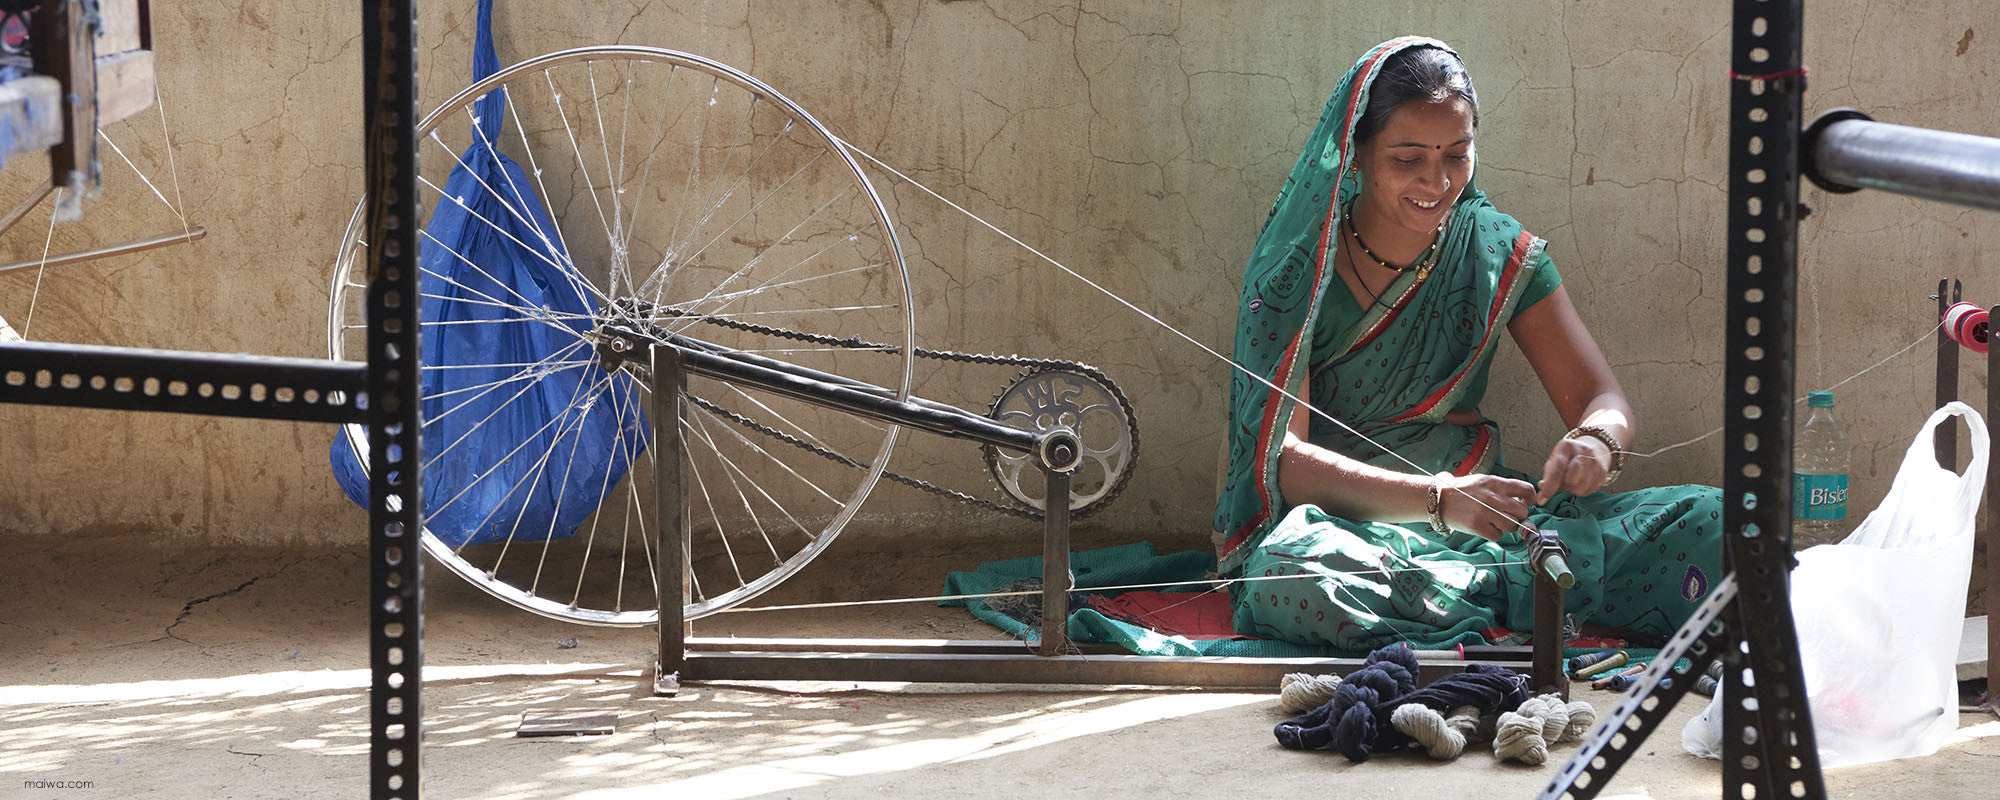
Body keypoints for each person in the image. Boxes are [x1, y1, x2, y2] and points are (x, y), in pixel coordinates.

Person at [1213, 37, 1723, 651]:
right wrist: (1437, 500)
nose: (1437, 180)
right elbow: (1285, 461)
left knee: (1715, 523)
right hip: (1353, 525)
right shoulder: (1298, 274)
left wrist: (1597, 439)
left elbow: (1600, 396)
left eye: (1457, 154)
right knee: (1293, 575)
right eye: (1408, 159)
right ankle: (1525, 598)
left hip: (1488, 518)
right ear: (1356, 154)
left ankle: (1483, 598)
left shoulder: (1495, 251)